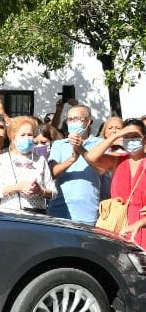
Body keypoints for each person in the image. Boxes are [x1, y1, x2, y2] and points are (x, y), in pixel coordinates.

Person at [86, 118, 146, 247]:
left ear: (144, 139)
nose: (130, 140)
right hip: (117, 225)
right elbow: (91, 157)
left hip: (142, 227)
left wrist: (138, 224)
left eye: (135, 136)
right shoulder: (117, 160)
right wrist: (117, 135)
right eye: (127, 136)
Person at [47, 104, 104, 225]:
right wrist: (72, 159)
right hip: (59, 210)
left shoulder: (100, 144)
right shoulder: (59, 144)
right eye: (70, 119)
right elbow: (51, 173)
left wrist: (81, 149)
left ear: (89, 121)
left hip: (88, 212)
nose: (73, 122)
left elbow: (101, 169)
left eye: (77, 119)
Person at [0, 116, 55, 213]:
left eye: (30, 135)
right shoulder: (2, 159)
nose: (27, 138)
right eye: (22, 135)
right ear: (13, 137)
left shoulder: (40, 159)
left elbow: (53, 192)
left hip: (37, 215)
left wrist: (40, 191)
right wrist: (17, 187)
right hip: (10, 215)